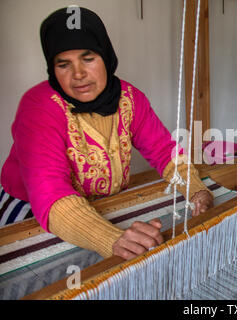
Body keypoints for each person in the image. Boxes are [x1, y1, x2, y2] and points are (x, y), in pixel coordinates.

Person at [0, 7, 214, 260]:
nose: (78, 74)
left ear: (106, 55)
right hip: (32, 213)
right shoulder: (38, 106)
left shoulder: (129, 98)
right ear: (52, 68)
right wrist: (112, 239)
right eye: (63, 64)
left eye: (88, 58)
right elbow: (50, 192)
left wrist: (197, 191)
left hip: (101, 206)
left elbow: (163, 152)